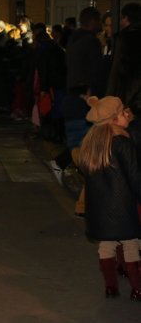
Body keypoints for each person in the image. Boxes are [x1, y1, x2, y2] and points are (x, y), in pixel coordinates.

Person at [77, 95, 141, 301]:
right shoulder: (122, 142)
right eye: (123, 112)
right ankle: (137, 288)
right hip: (123, 205)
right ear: (114, 120)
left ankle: (111, 287)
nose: (127, 114)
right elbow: (135, 175)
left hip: (99, 208)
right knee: (131, 245)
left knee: (106, 245)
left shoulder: (91, 142)